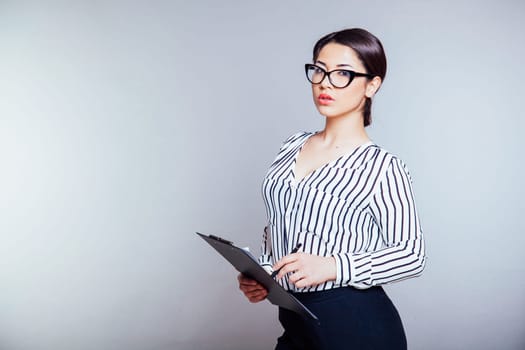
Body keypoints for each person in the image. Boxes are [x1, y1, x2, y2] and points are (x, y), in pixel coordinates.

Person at [238, 28, 426, 350]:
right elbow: (283, 222)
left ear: (372, 85)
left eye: (343, 73)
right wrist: (265, 274)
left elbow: (412, 255)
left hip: (355, 323)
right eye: (319, 70)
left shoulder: (382, 166)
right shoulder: (291, 145)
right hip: (295, 315)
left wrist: (334, 265)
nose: (325, 82)